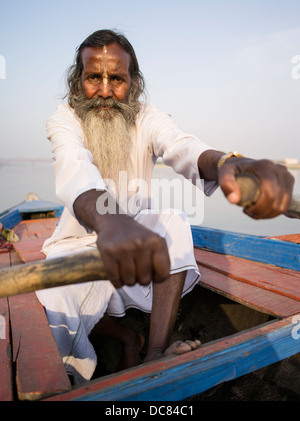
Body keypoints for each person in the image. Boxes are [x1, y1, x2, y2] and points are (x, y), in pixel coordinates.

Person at [36, 29, 294, 384]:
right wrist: (110, 222)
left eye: (118, 79)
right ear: (77, 82)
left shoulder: (147, 117)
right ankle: (80, 378)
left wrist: (229, 163)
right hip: (78, 250)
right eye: (94, 78)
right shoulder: (64, 118)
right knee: (53, 293)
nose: (106, 90)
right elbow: (73, 167)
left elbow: (184, 148)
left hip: (140, 253)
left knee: (172, 220)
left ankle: (154, 354)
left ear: (134, 83)